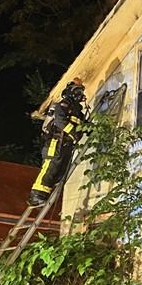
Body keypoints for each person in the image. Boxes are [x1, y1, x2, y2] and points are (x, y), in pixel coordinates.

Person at [28, 78, 88, 207]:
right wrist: (73, 132)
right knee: (51, 166)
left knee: (61, 172)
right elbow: (60, 121)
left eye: (81, 91)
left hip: (68, 146)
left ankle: (43, 197)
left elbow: (84, 127)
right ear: (69, 92)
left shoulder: (79, 113)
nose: (80, 94)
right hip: (56, 142)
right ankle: (35, 196)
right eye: (77, 91)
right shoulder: (64, 105)